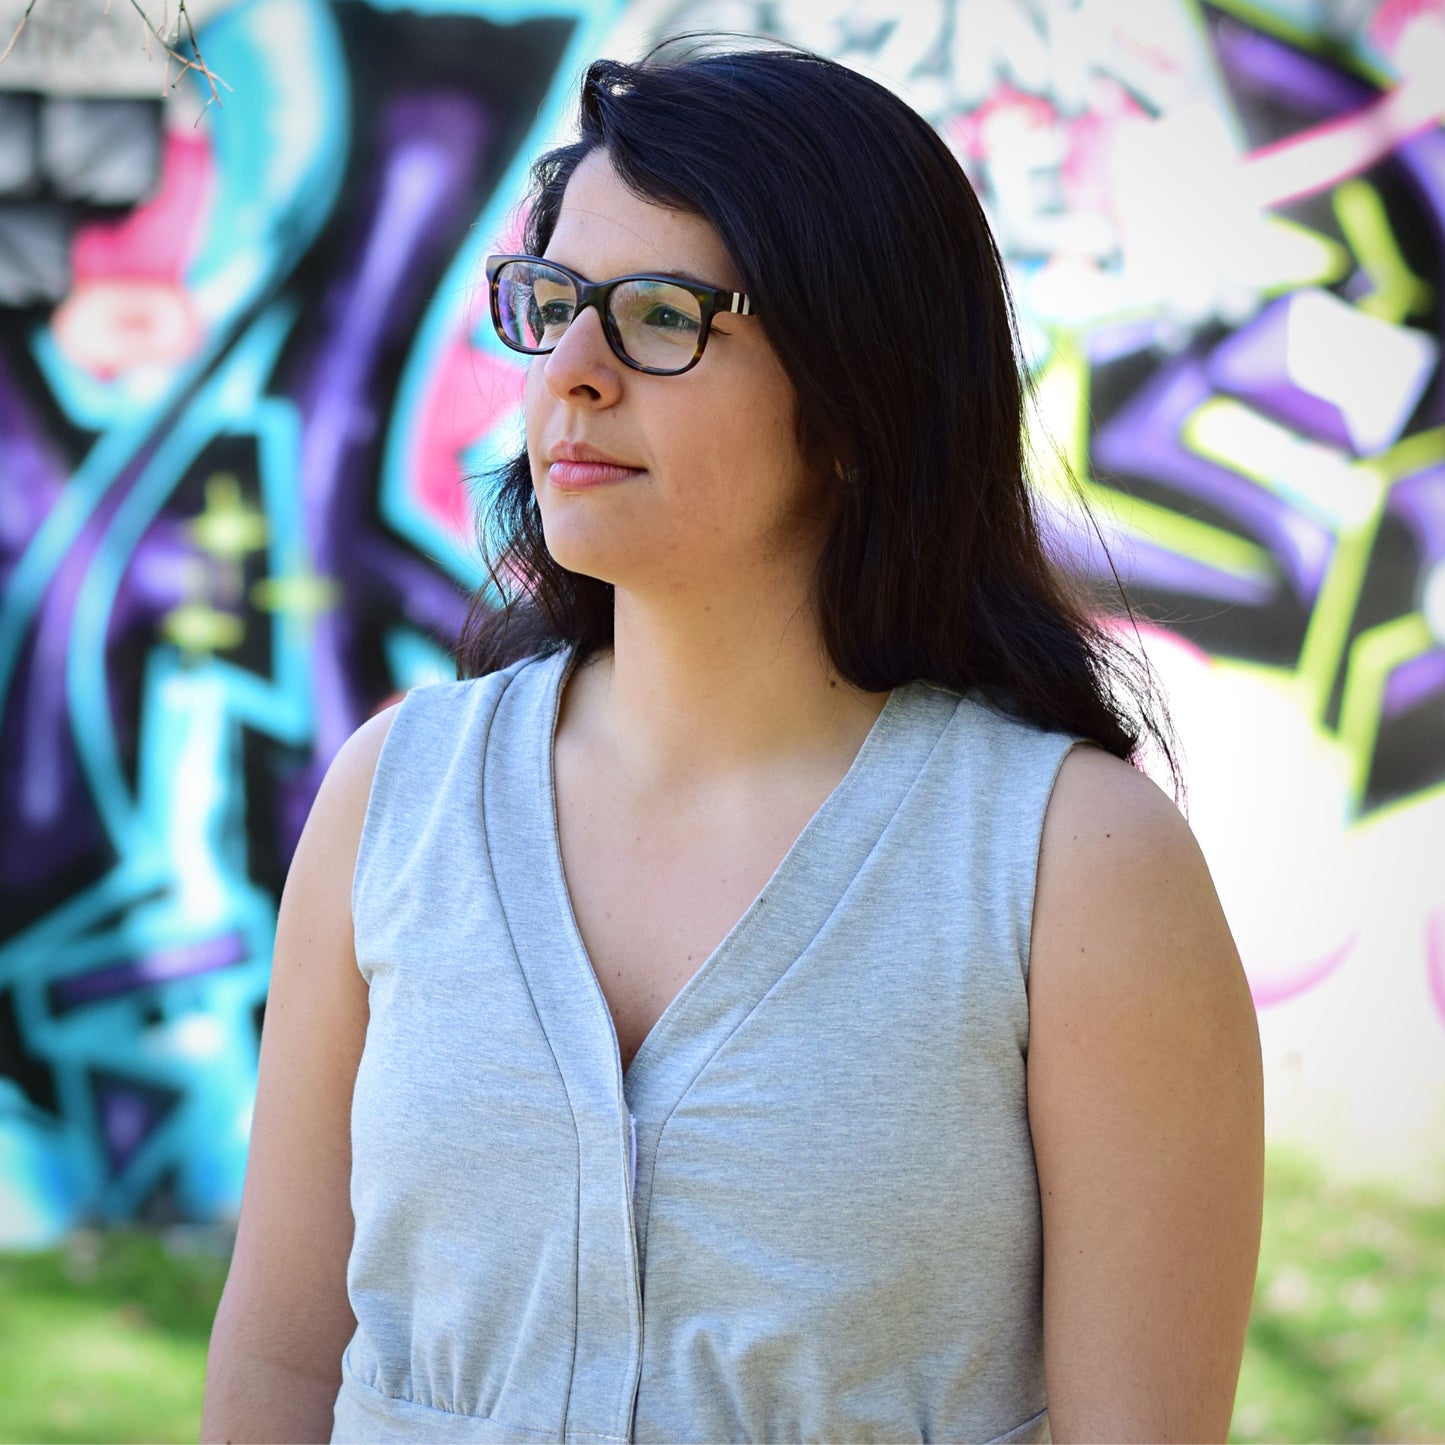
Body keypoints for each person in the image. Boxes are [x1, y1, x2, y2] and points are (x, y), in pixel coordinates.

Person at [201, 38, 1264, 1445]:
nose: (570, 374)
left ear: (855, 391)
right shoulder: (392, 797)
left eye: (656, 314)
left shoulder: (1074, 867)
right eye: (552, 303)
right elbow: (281, 1363)